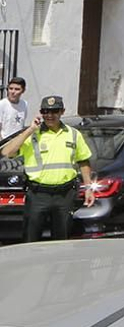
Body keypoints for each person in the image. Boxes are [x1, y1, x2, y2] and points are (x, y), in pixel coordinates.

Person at [1, 95, 94, 241]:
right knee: (30, 240)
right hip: (38, 195)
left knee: (61, 241)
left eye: (54, 111)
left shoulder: (73, 134)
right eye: (45, 111)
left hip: (64, 195)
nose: (49, 115)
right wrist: (30, 130)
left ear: (62, 111)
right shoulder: (32, 134)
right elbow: (7, 152)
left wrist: (88, 188)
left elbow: (83, 161)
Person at [0, 76, 29, 141]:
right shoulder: (2, 104)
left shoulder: (24, 104)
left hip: (18, 141)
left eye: (17, 89)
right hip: (4, 141)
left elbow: (22, 124)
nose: (13, 92)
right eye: (10, 88)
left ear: (23, 90)